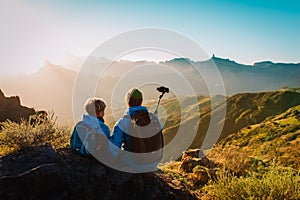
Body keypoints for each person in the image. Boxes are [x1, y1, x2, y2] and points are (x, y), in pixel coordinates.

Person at [109, 88, 163, 172]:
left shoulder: (122, 122)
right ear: (141, 101)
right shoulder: (154, 119)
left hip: (134, 164)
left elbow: (114, 149)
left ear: (128, 102)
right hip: (153, 162)